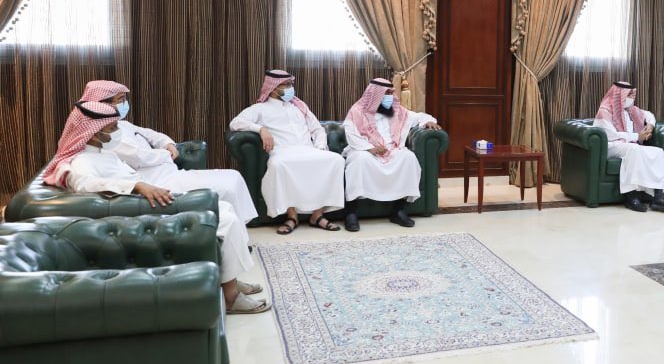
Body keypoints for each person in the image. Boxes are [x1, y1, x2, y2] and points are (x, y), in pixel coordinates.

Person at [45, 101, 268, 314]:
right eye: (112, 128)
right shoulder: (83, 161)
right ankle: (230, 297)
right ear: (94, 133)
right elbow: (85, 184)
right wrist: (137, 186)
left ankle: (230, 280)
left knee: (225, 208)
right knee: (224, 217)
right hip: (138, 213)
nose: (117, 132)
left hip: (146, 203)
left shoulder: (102, 153)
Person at [77, 79, 259, 231]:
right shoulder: (105, 137)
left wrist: (168, 143)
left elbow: (151, 134)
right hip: (159, 180)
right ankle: (233, 232)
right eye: (120, 100)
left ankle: (240, 229)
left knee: (233, 176)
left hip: (171, 172)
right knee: (227, 188)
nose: (124, 104)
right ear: (102, 105)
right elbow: (140, 157)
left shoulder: (122, 124)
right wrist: (166, 154)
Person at [229, 69, 346, 234]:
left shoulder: (299, 106)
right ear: (273, 88)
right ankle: (292, 217)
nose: (290, 88)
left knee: (336, 160)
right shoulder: (260, 109)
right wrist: (260, 129)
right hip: (282, 152)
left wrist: (320, 147)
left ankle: (317, 215)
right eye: (286, 85)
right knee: (280, 165)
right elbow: (235, 123)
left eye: (291, 84)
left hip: (308, 149)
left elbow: (317, 129)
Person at [341, 77, 441, 232]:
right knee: (359, 160)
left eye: (391, 92)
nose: (390, 96)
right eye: (386, 93)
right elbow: (351, 134)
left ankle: (398, 210)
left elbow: (419, 116)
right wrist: (370, 148)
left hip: (392, 150)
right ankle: (351, 212)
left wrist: (428, 121)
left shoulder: (397, 111)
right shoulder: (357, 111)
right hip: (364, 149)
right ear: (375, 94)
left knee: (408, 158)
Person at [593, 81, 664, 213]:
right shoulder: (605, 111)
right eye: (629, 95)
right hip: (611, 146)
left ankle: (658, 197)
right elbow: (610, 135)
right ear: (619, 95)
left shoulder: (632, 111)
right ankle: (631, 197)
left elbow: (649, 115)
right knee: (634, 149)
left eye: (633, 96)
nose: (631, 99)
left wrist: (650, 125)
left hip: (630, 145)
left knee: (658, 152)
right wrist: (637, 136)